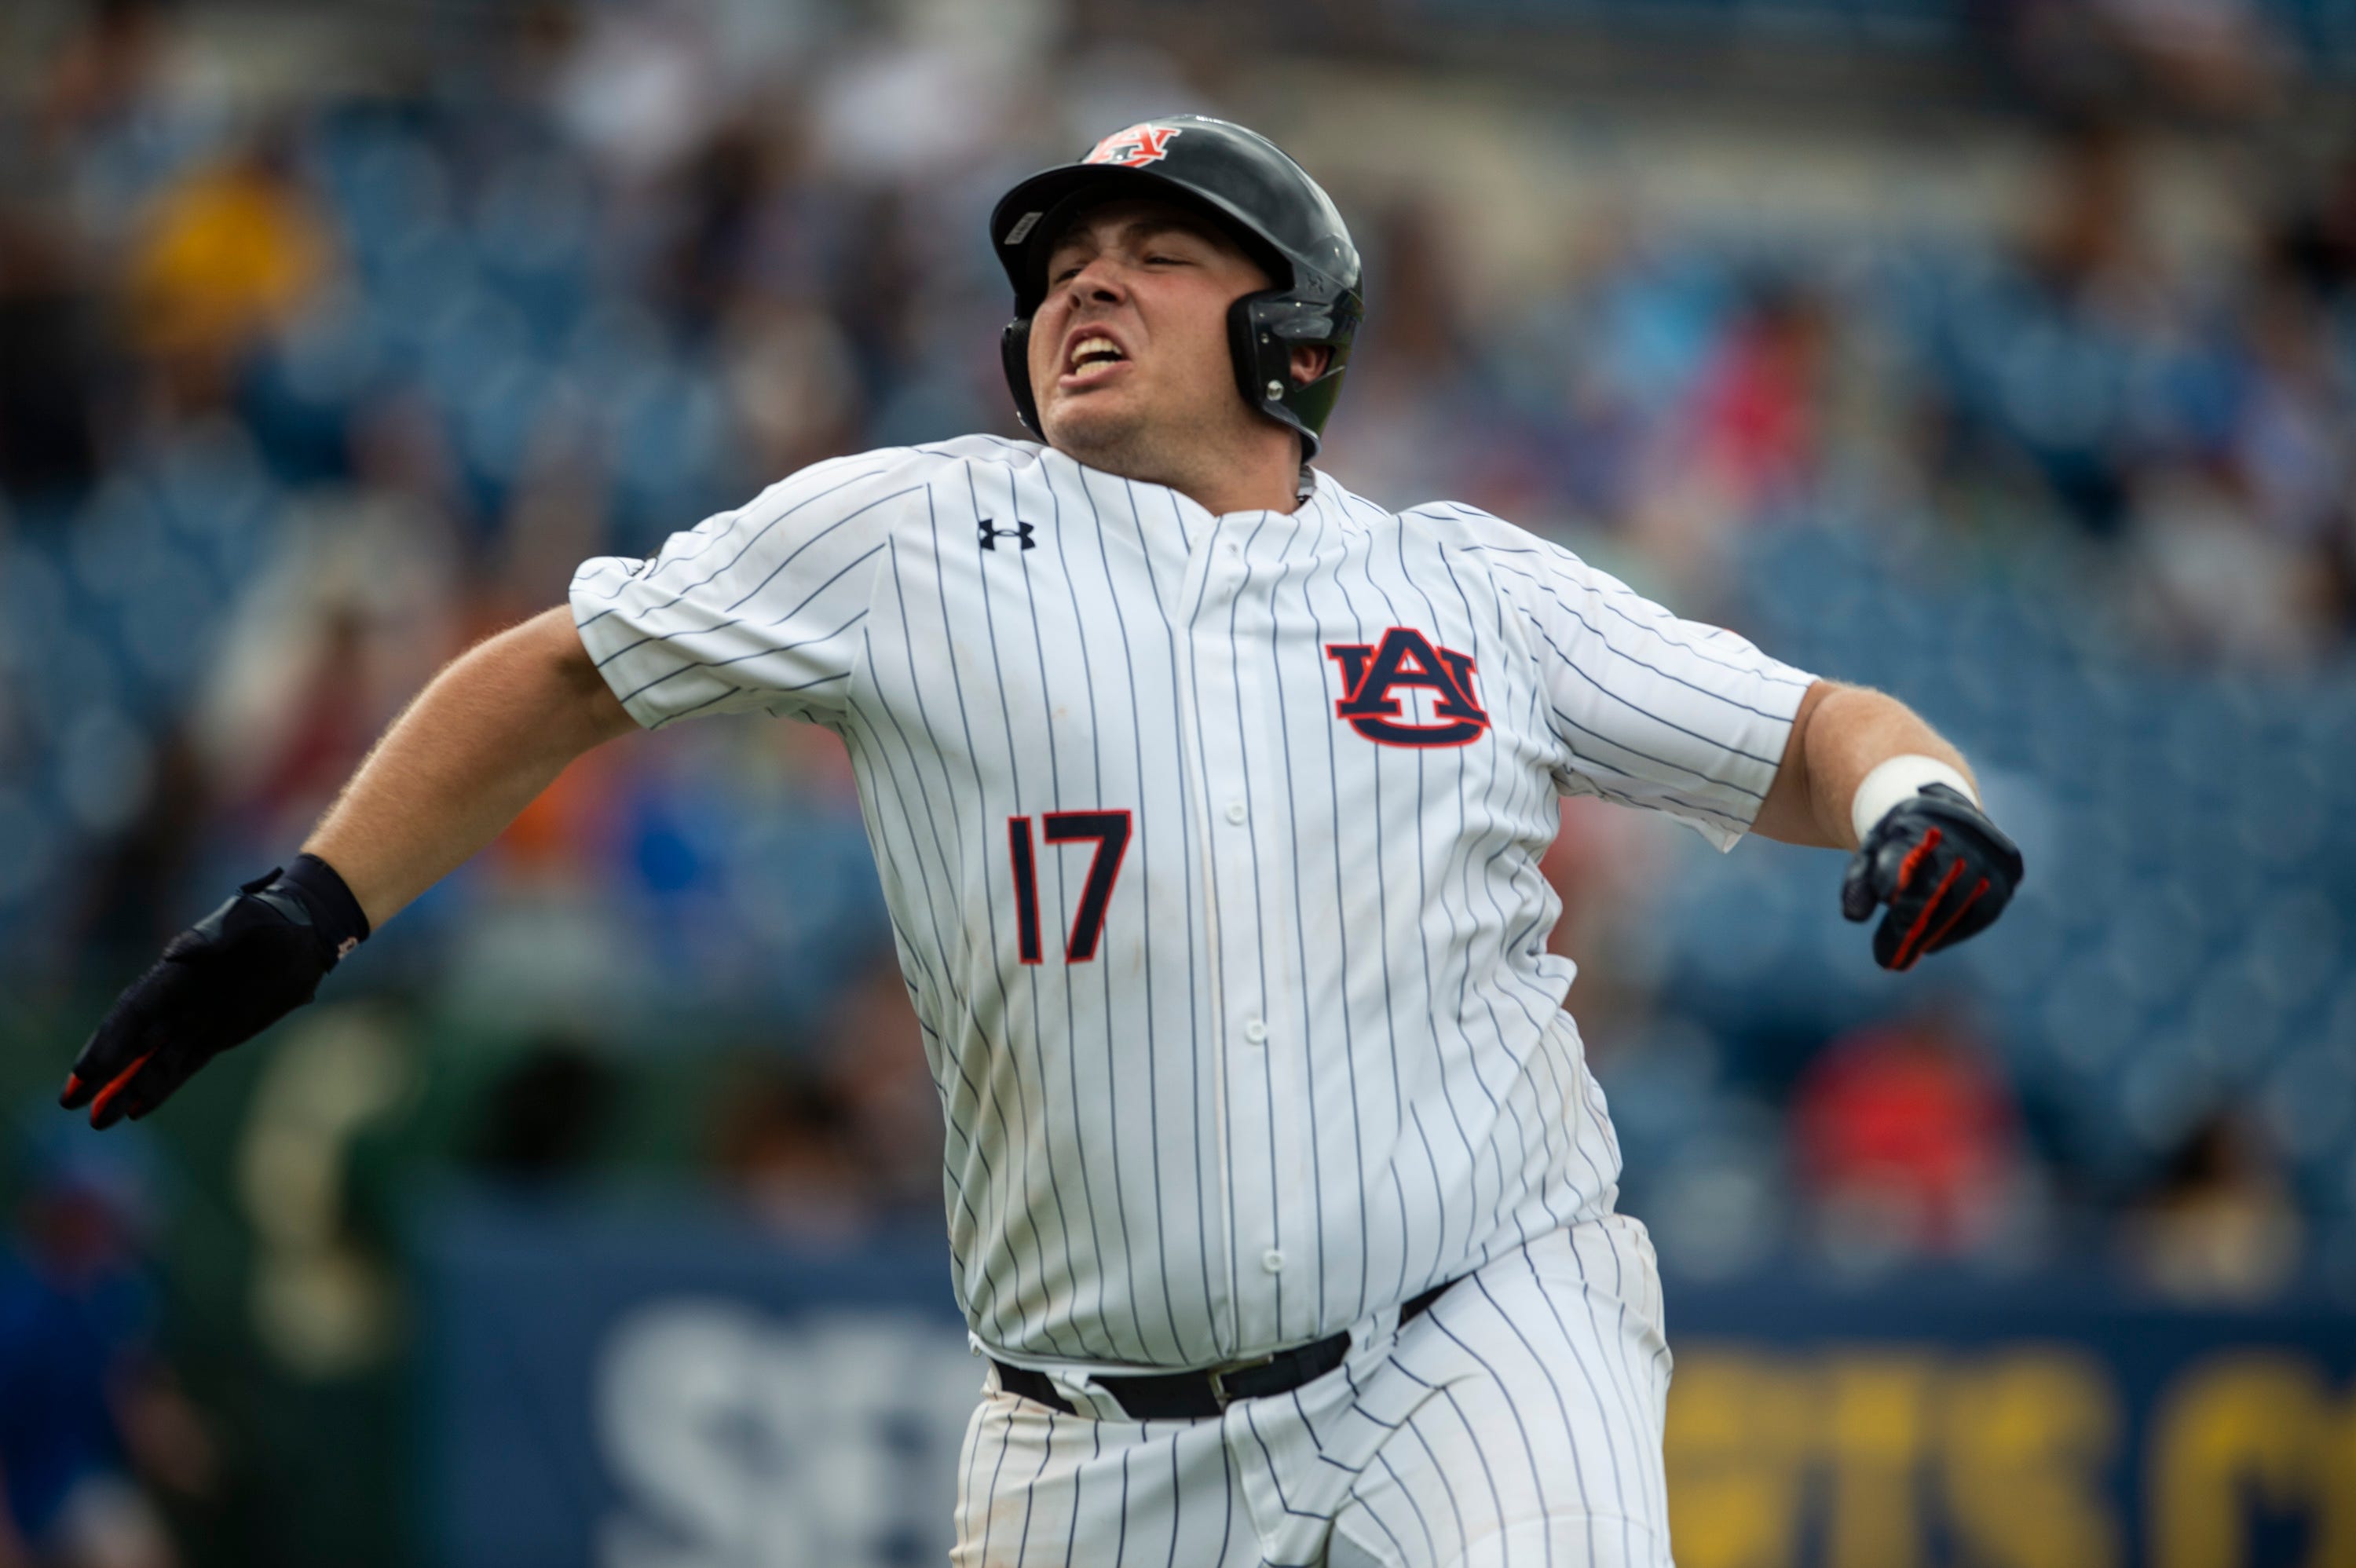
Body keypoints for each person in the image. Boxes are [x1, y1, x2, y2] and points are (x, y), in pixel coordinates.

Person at [65, 117, 2023, 1566]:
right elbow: (566, 672)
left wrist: (1913, 800)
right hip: (1092, 1440)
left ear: (1296, 336)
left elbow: (1813, 730)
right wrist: (309, 908)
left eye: (1158, 250)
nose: (1086, 279)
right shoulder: (910, 534)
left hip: (1476, 1331)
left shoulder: (1471, 588)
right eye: (1063, 259)